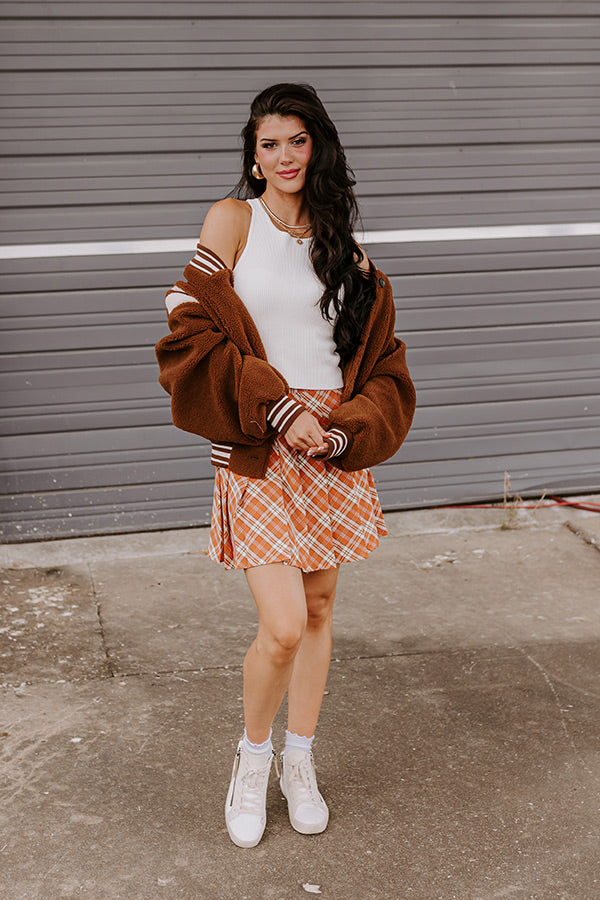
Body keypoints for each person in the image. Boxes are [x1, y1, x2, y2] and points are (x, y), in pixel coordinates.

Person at [155, 82, 416, 849]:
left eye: (296, 141)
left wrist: (340, 433)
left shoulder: (347, 249)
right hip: (259, 438)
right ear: (254, 156)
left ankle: (300, 758)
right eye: (268, 144)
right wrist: (278, 411)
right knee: (282, 625)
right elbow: (188, 322)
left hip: (329, 446)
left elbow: (378, 364)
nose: (284, 156)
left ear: (317, 147)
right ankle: (253, 757)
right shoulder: (233, 221)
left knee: (321, 610)